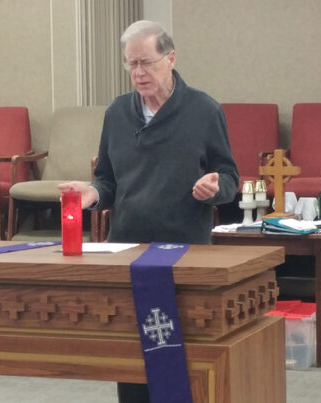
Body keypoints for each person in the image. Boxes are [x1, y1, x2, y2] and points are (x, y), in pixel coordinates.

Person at [58, 20, 238, 403]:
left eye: (146, 63)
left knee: (181, 360)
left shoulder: (203, 110)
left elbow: (230, 177)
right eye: (131, 65)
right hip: (127, 250)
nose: (138, 73)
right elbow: (107, 180)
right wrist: (91, 194)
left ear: (170, 59)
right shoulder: (118, 113)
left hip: (184, 251)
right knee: (133, 359)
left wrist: (213, 189)